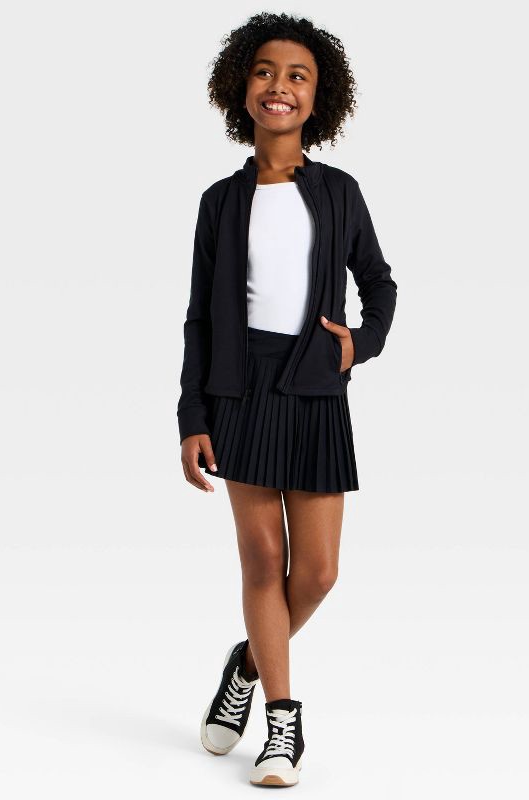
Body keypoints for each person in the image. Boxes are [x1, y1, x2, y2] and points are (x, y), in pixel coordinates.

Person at [177, 12, 397, 788]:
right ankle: (282, 724)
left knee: (320, 572)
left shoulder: (338, 192)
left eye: (297, 75)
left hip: (314, 385)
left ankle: (245, 662)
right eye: (265, 71)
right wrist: (192, 418)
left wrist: (359, 343)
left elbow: (379, 283)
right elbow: (201, 318)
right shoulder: (219, 201)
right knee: (264, 558)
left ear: (317, 97)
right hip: (238, 389)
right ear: (242, 88)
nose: (280, 86)